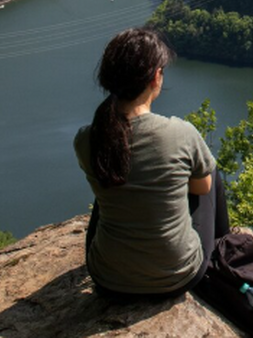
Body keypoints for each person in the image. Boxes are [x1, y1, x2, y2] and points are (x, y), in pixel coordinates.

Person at [74, 27, 230, 297]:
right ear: (156, 77)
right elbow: (201, 189)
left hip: (108, 280)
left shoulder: (86, 139)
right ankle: (224, 247)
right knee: (209, 174)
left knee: (110, 179)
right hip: (178, 277)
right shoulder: (180, 133)